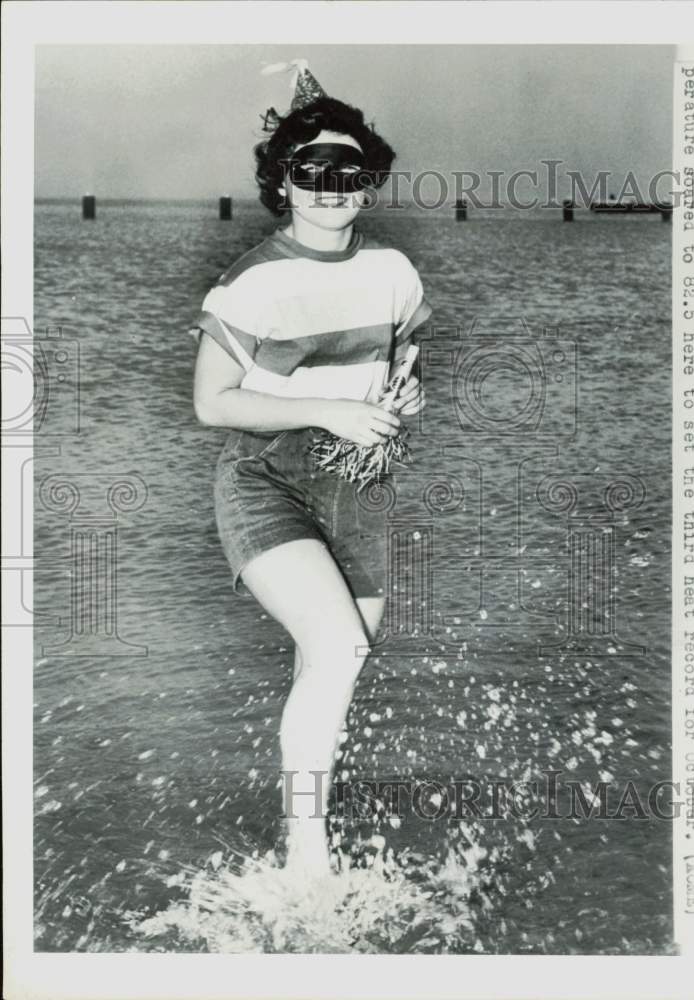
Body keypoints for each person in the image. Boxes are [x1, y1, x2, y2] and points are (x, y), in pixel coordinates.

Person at [190, 88, 432, 877]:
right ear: (283, 183)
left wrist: (403, 399)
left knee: (330, 665)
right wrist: (331, 407)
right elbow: (211, 402)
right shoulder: (250, 282)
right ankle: (306, 859)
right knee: (337, 644)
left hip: (359, 483)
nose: (331, 187)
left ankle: (300, 835)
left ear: (367, 182)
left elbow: (401, 370)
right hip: (266, 478)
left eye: (347, 170)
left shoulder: (394, 272)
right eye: (311, 170)